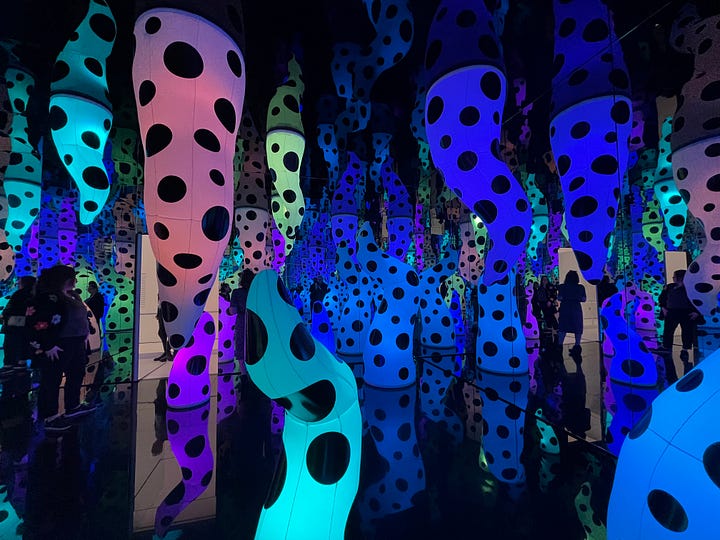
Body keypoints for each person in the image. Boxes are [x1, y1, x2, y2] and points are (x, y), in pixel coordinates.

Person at [27, 265, 96, 433]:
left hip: (76, 343)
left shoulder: (73, 295)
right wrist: (47, 345)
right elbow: (38, 321)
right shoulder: (49, 297)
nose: (76, 280)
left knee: (76, 373)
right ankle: (49, 417)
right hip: (59, 344)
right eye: (72, 278)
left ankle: (73, 406)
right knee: (52, 379)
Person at [659, 269, 701, 380]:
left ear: (680, 278)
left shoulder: (691, 288)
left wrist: (696, 312)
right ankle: (666, 347)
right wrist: (663, 308)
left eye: (675, 276)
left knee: (686, 331)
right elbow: (662, 298)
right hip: (672, 312)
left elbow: (698, 300)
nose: (673, 278)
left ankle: (685, 349)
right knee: (668, 330)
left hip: (686, 312)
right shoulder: (670, 287)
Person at [2, 275, 36, 368]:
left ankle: (11, 373)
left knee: (11, 357)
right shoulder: (34, 295)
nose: (17, 283)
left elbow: (7, 312)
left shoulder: (19, 294)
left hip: (13, 329)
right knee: (22, 356)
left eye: (19, 282)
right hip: (25, 330)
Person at [229, 269, 255, 369]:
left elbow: (233, 311)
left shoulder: (236, 292)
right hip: (255, 322)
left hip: (242, 321)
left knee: (241, 346)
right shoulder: (256, 292)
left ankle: (243, 373)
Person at [557, 270, 587, 352]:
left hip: (565, 308)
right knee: (577, 327)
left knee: (563, 327)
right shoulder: (580, 287)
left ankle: (560, 346)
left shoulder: (562, 287)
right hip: (576, 309)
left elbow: (559, 298)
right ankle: (577, 346)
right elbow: (584, 299)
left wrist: (567, 297)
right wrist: (575, 297)